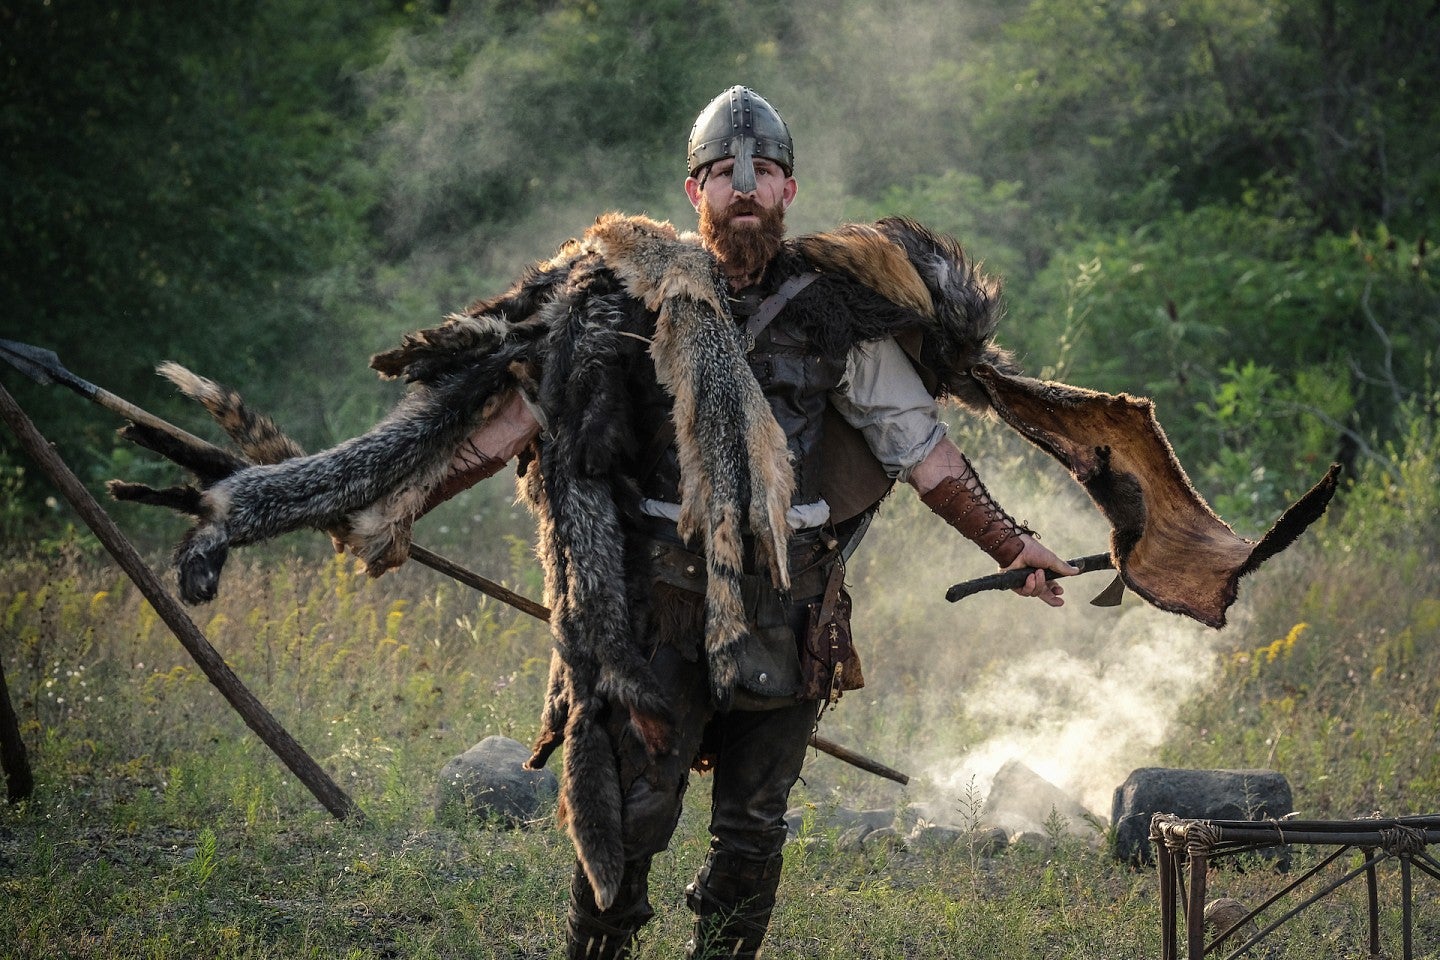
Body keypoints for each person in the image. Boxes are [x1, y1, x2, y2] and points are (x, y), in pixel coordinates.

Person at [420, 85, 1077, 960]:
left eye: (761, 171)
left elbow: (922, 448)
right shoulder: (625, 296)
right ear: (694, 191)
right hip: (658, 602)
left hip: (787, 602)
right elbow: (512, 424)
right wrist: (399, 506)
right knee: (629, 812)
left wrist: (1010, 542)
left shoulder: (835, 313)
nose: (743, 186)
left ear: (788, 191)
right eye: (722, 174)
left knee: (753, 831)